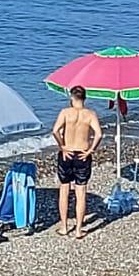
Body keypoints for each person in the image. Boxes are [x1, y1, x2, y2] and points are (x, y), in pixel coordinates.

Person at [50, 85, 103, 237]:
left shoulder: (65, 112)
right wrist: (91, 150)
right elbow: (98, 134)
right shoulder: (90, 114)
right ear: (84, 98)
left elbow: (55, 131)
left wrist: (62, 146)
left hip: (67, 153)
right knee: (81, 192)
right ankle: (79, 230)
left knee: (64, 190)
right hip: (82, 154)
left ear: (72, 98)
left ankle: (64, 226)